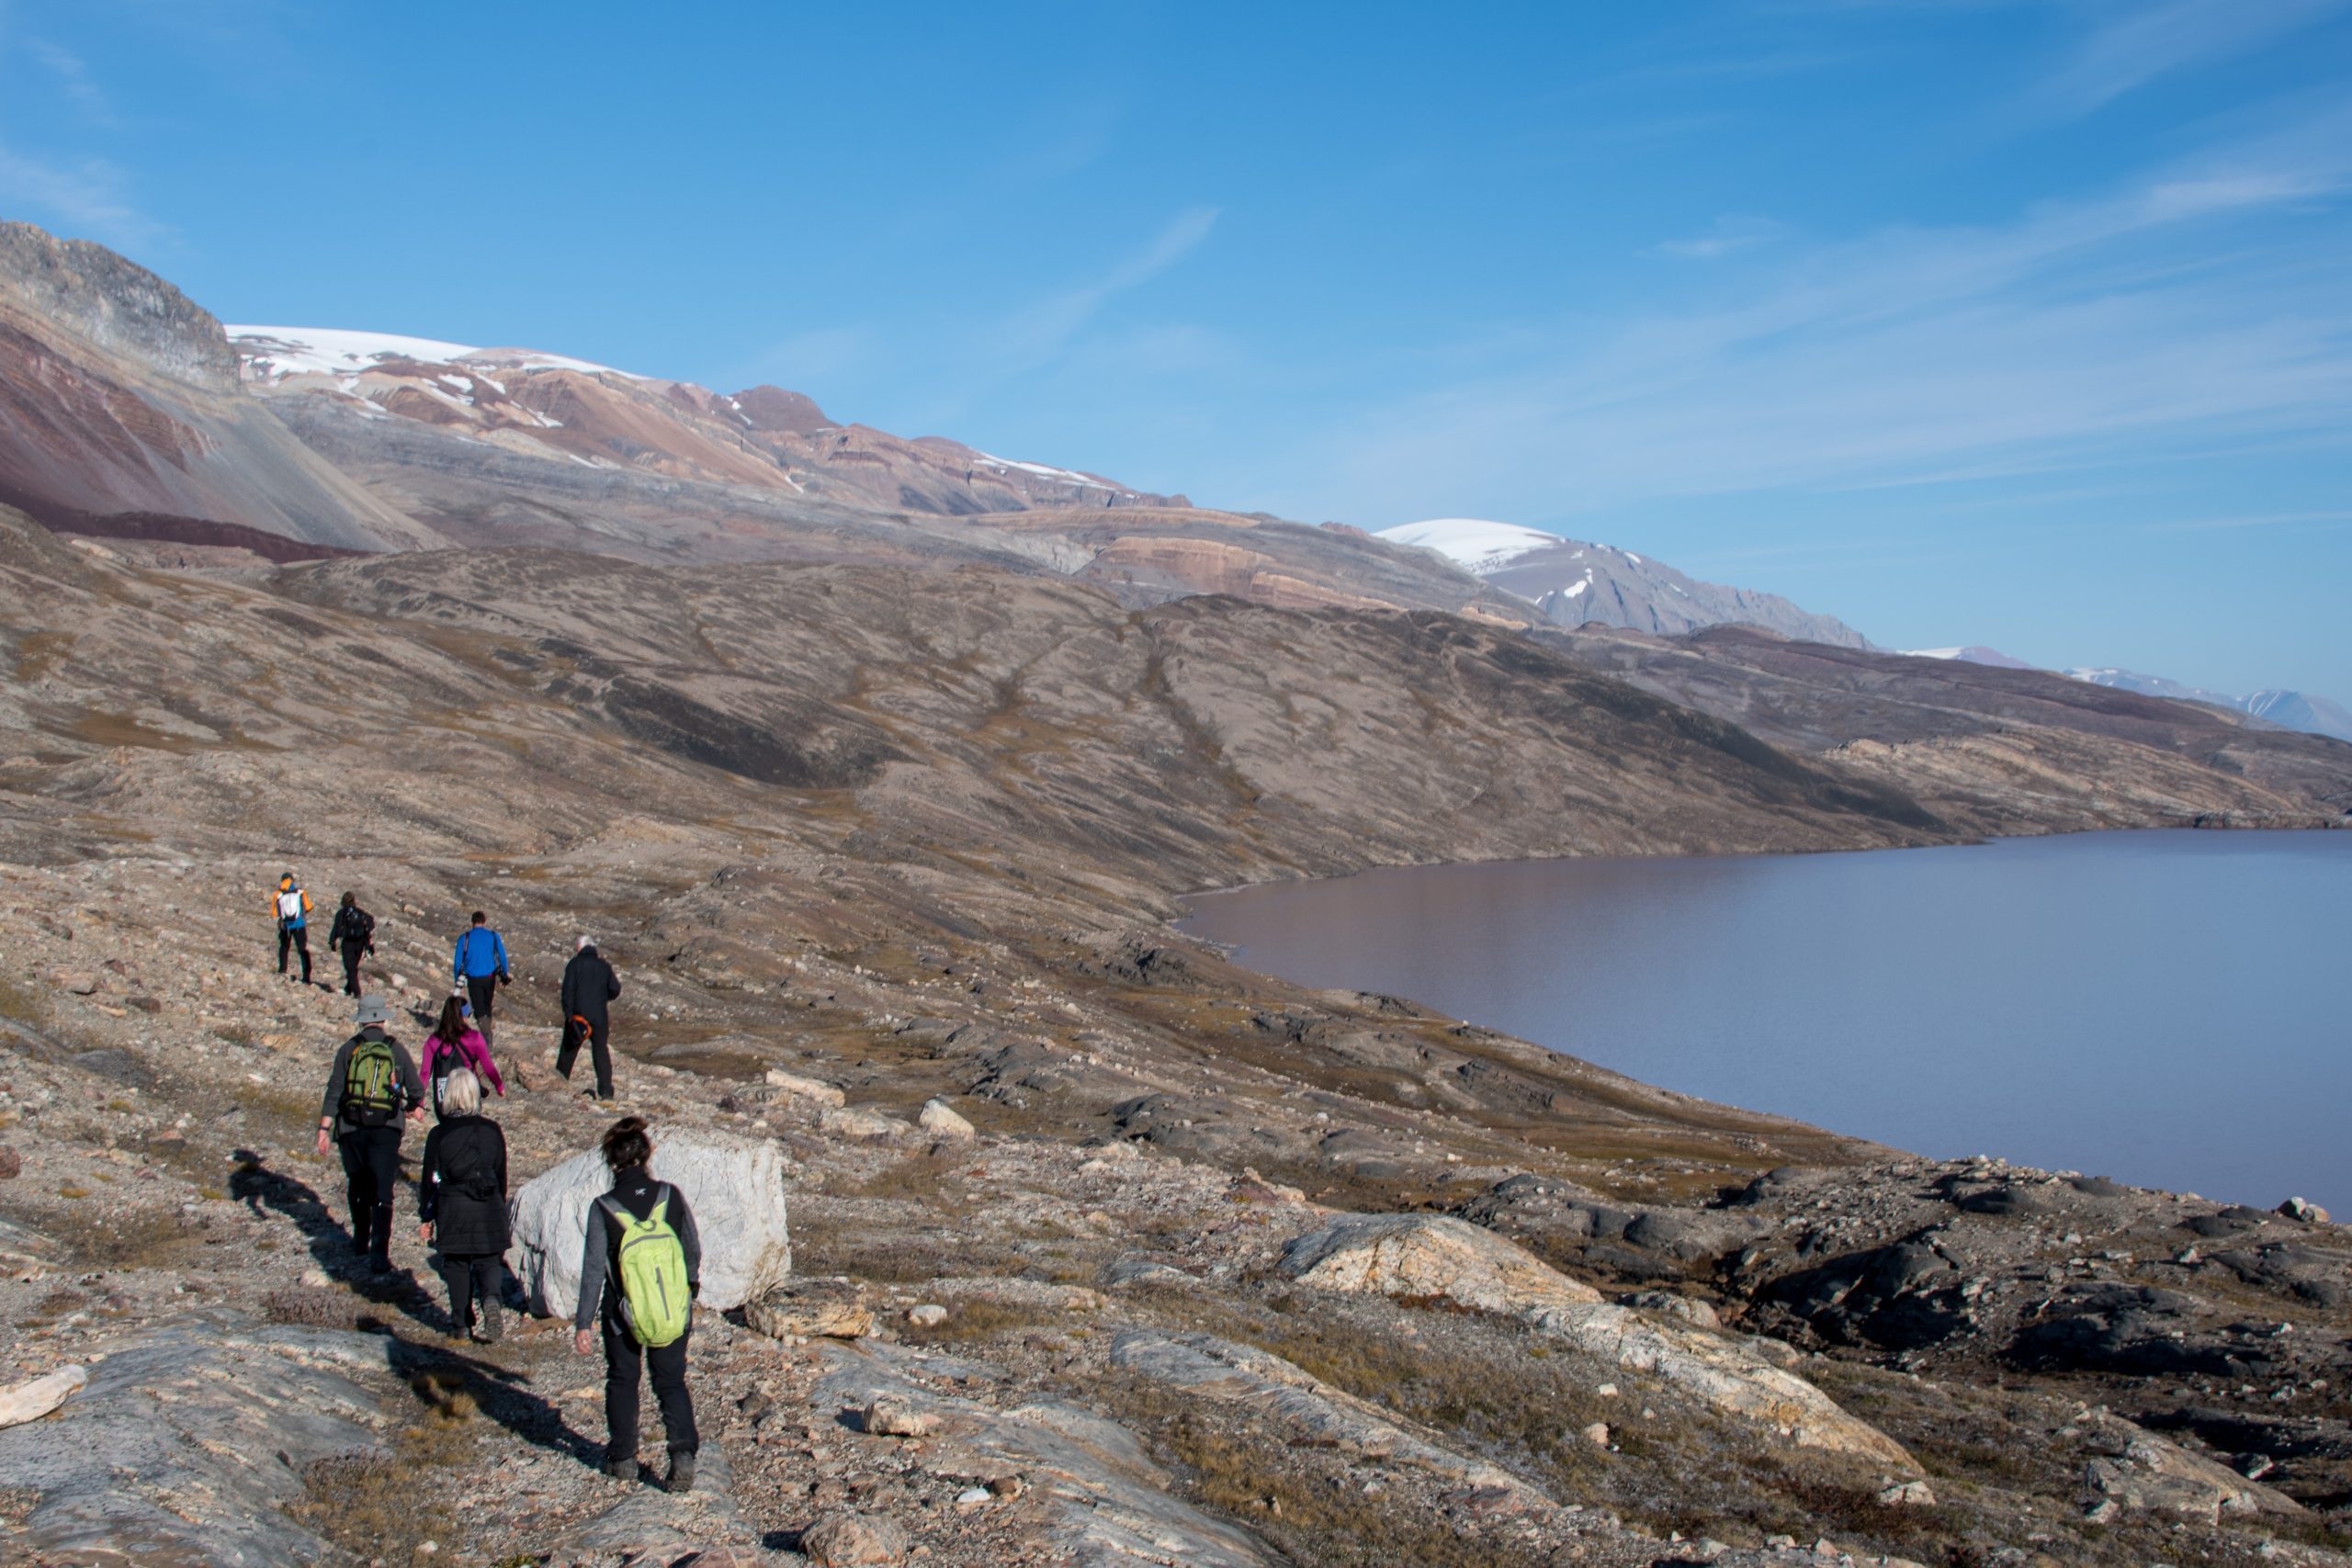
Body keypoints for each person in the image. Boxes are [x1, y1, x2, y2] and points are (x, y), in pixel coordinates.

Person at [574, 1116, 700, 1491]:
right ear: (646, 1156)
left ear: (611, 1162)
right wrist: (687, 1293)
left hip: (621, 1313)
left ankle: (624, 1459)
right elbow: (691, 1251)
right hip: (672, 1307)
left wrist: (584, 1322)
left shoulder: (604, 1207)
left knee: (623, 1380)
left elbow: (594, 1268)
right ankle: (682, 1455)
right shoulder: (670, 1195)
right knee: (671, 1382)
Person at [315, 996, 424, 1274]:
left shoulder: (348, 1050)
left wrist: (324, 1128)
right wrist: (410, 1108)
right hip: (386, 1129)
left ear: (361, 1020)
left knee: (357, 1182)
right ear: (384, 1019)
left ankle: (360, 1238)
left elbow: (334, 1090)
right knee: (382, 1188)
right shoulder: (396, 1049)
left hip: (351, 1128)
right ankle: (380, 1251)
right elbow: (416, 1090)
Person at [416, 1066, 510, 1343]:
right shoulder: (493, 1131)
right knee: (489, 1259)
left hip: (453, 1207)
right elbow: (501, 1173)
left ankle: (461, 1324)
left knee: (456, 1264)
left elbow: (429, 1179)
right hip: (488, 1204)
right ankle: (491, 1298)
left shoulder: (439, 1134)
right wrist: (498, 1205)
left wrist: (427, 1215)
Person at [559, 935, 623, 1103]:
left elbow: (567, 991)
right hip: (600, 1016)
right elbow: (615, 989)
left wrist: (569, 1014)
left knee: (569, 1050)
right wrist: (603, 998)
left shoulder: (575, 964)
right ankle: (606, 1091)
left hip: (579, 1015)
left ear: (580, 948)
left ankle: (559, 1081)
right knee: (601, 1051)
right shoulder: (604, 966)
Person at [422, 994, 505, 1119]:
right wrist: (499, 1086)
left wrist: (418, 1102)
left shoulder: (433, 1041)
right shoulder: (474, 1038)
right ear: (464, 1016)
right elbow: (488, 1067)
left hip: (444, 1098)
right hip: (468, 1095)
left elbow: (424, 1073)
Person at [451, 911, 511, 1043]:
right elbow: (502, 956)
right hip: (490, 978)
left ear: (472, 923)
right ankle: (487, 1032)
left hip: (473, 979)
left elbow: (457, 963)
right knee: (486, 1004)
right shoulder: (493, 936)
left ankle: (486, 1037)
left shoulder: (464, 938)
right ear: (484, 922)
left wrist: (457, 981)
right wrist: (504, 974)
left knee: (479, 1009)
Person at [327, 891, 376, 999]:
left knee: (350, 968)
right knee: (353, 967)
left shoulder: (341, 913)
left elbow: (336, 929)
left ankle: (357, 992)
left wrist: (332, 942)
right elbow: (370, 925)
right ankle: (348, 989)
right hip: (360, 942)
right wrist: (369, 945)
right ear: (354, 901)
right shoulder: (361, 913)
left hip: (348, 943)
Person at [274, 872, 313, 985]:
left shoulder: (278, 894)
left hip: (285, 926)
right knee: (302, 949)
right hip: (299, 924)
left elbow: (275, 912)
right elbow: (309, 907)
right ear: (292, 880)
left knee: (284, 946)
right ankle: (306, 976)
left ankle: (282, 969)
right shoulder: (300, 892)